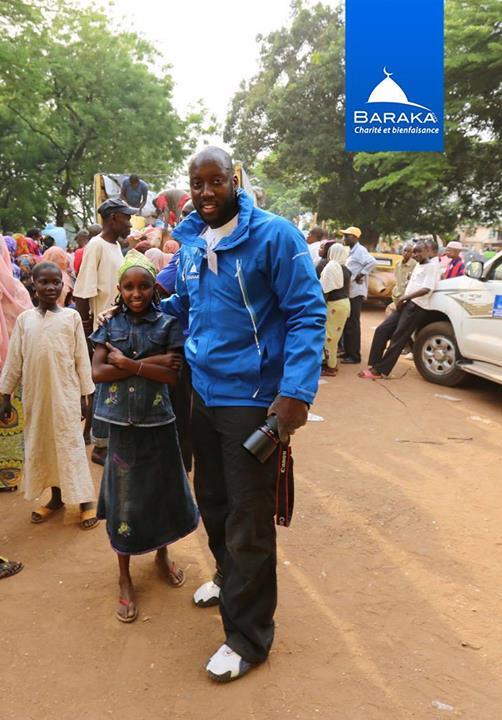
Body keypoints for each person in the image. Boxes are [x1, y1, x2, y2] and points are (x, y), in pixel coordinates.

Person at [164, 146, 325, 681]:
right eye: (197, 182)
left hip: (254, 399)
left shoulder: (275, 235)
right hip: (202, 393)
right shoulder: (189, 240)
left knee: (249, 518)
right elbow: (186, 305)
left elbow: (307, 311)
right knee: (211, 498)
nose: (206, 192)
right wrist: (140, 307)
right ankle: (229, 579)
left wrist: (296, 393)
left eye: (216, 181)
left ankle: (247, 638)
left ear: (234, 180)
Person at [90, 251, 198, 623]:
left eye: (144, 286)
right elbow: (98, 373)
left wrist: (128, 364)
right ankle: (124, 576)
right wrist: (148, 366)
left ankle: (162, 554)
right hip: (122, 427)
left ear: (155, 288)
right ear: (119, 289)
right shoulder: (109, 324)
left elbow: (172, 375)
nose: (137, 293)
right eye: (129, 286)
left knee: (161, 491)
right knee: (125, 499)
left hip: (158, 424)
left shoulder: (168, 324)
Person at [0, 261, 98, 529]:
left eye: (56, 282)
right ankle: (56, 499)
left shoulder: (71, 317)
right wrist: (5, 395)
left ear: (63, 285)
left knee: (70, 446)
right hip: (36, 397)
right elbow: (14, 361)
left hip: (65, 395)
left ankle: (85, 502)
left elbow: (81, 359)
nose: (51, 287)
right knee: (44, 445)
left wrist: (85, 396)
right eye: (44, 282)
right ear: (34, 285)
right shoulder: (24, 320)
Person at [73, 198, 135, 466]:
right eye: (126, 217)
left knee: (112, 386)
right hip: (103, 328)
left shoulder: (115, 247)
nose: (130, 222)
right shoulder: (96, 246)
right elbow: (83, 293)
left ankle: (104, 439)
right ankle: (99, 446)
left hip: (117, 325)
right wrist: (88, 333)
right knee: (104, 386)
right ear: (113, 219)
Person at [359, 241, 437, 379]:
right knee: (382, 330)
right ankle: (375, 364)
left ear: (427, 250)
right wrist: (403, 298)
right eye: (414, 252)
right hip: (406, 303)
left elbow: (427, 289)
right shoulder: (419, 264)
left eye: (419, 251)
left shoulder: (431, 267)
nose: (416, 255)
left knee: (398, 338)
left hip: (416, 306)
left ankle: (380, 370)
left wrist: (406, 297)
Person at [0, 237, 32, 492]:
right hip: (12, 370)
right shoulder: (18, 290)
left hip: (11, 369)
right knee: (9, 422)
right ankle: (8, 476)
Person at [341, 226, 376, 364]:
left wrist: (360, 275)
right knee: (348, 322)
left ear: (355, 237)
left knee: (353, 324)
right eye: (344, 236)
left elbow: (372, 262)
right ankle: (347, 352)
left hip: (356, 291)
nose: (344, 238)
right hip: (350, 291)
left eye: (347, 236)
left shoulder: (360, 250)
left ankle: (354, 356)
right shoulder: (351, 251)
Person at [320, 243, 352, 377]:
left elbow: (326, 290)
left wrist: (320, 304)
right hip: (344, 304)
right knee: (334, 337)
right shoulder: (346, 269)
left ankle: (330, 367)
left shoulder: (332, 267)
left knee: (328, 337)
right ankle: (331, 363)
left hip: (334, 305)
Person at [389, 241, 417, 310]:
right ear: (402, 251)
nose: (406, 253)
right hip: (397, 295)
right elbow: (397, 278)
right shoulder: (397, 264)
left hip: (408, 295)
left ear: (412, 253)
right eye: (405, 250)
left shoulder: (415, 265)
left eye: (409, 251)